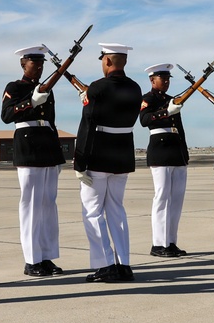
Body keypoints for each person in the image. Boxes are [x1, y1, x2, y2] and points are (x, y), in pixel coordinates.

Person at [73, 43, 143, 283]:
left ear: (108, 61)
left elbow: (87, 124)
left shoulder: (98, 88)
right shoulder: (135, 88)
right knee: (116, 210)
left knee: (93, 211)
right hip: (122, 155)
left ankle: (105, 265)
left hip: (98, 155)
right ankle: (124, 263)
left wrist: (79, 161)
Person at [0, 46, 66, 277]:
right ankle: (31, 260)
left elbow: (51, 120)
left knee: (48, 205)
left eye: (41, 64)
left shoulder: (47, 90)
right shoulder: (14, 87)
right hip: (28, 148)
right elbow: (7, 116)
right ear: (23, 64)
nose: (38, 67)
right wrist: (31, 101)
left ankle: (46, 256)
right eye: (34, 64)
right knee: (30, 205)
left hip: (48, 146)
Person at [138, 63, 189, 258]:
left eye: (168, 79)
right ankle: (158, 243)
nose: (166, 82)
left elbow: (179, 127)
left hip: (176, 150)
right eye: (163, 79)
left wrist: (184, 152)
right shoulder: (147, 98)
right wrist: (167, 111)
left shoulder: (171, 99)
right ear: (152, 80)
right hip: (160, 150)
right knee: (162, 198)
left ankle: (170, 241)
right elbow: (144, 120)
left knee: (176, 200)